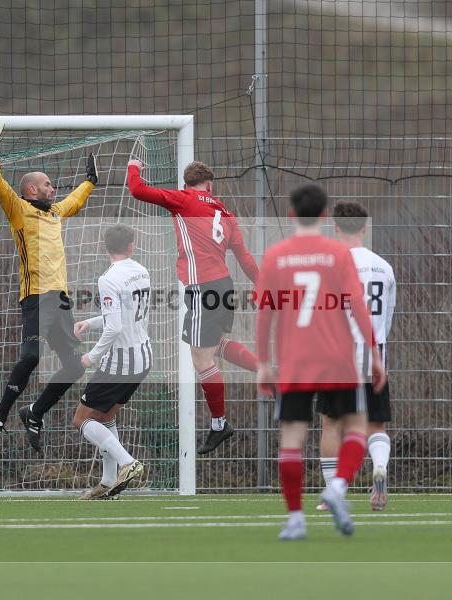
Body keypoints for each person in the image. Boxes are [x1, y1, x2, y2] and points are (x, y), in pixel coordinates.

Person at [254, 183, 386, 541]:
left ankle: (295, 518)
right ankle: (338, 487)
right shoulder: (338, 254)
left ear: (292, 215)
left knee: (292, 439)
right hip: (338, 358)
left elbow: (264, 313)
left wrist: (263, 362)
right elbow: (358, 307)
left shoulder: (276, 256)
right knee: (357, 427)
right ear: (325, 216)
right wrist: (374, 353)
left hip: (295, 360)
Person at [0, 110, 99, 452]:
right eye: (47, 184)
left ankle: (34, 413)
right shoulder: (19, 209)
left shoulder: (56, 213)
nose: (52, 188)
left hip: (59, 300)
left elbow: (73, 201)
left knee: (75, 365)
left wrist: (90, 181)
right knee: (30, 357)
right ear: (32, 189)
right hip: (35, 297)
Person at [127, 158, 260, 454]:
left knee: (201, 359)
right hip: (224, 286)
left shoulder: (182, 198)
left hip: (204, 288)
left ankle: (219, 423)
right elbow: (246, 259)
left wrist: (133, 166)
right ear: (210, 185)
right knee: (214, 346)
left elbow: (137, 190)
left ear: (186, 184)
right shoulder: (225, 213)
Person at [317, 201, 396, 512]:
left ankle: (333, 494)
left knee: (331, 425)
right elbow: (387, 319)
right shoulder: (384, 267)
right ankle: (379, 472)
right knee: (376, 426)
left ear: (335, 228)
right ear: (365, 228)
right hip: (372, 356)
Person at [72, 224, 150, 499]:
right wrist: (91, 323)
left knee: (81, 419)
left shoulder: (108, 278)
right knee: (105, 417)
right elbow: (123, 316)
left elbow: (115, 327)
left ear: (106, 247)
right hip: (143, 357)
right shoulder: (141, 271)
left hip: (121, 362)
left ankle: (128, 464)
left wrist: (92, 356)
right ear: (131, 246)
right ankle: (108, 483)